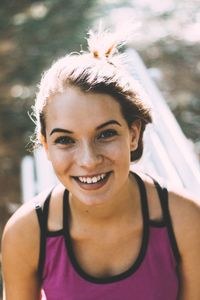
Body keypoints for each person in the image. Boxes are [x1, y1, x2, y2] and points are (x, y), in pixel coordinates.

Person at [1, 28, 200, 300]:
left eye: (105, 134)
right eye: (65, 140)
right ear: (45, 146)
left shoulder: (186, 221)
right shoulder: (26, 234)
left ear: (133, 134)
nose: (89, 160)